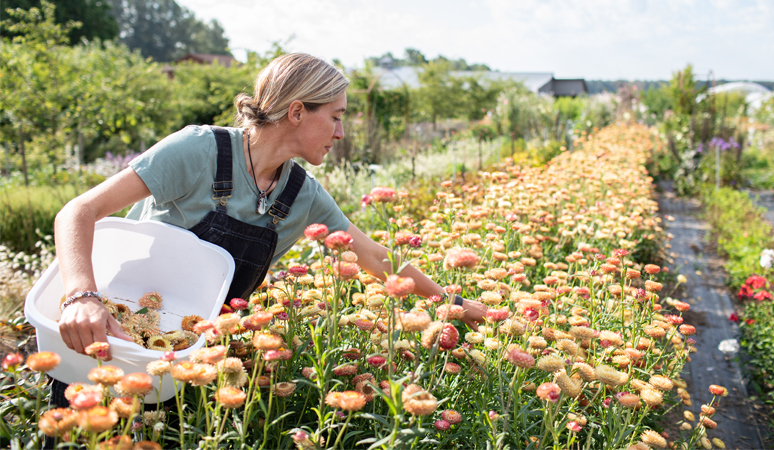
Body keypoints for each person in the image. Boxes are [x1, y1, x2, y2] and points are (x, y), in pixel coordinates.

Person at [54, 53, 487, 362]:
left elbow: (374, 256)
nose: (341, 132)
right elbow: (78, 211)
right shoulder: (199, 150)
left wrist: (455, 304)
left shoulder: (303, 194)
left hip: (190, 357)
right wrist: (82, 297)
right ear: (297, 111)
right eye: (336, 116)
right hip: (108, 327)